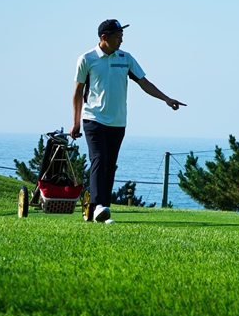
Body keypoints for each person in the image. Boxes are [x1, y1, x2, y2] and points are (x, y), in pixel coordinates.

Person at [70, 19, 185, 223]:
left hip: (118, 122)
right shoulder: (86, 59)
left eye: (121, 36)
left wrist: (166, 98)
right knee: (99, 160)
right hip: (93, 119)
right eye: (117, 36)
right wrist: (76, 122)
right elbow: (78, 93)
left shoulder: (126, 58)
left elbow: (144, 83)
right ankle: (97, 206)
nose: (121, 39)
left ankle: (102, 208)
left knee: (110, 165)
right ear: (104, 37)